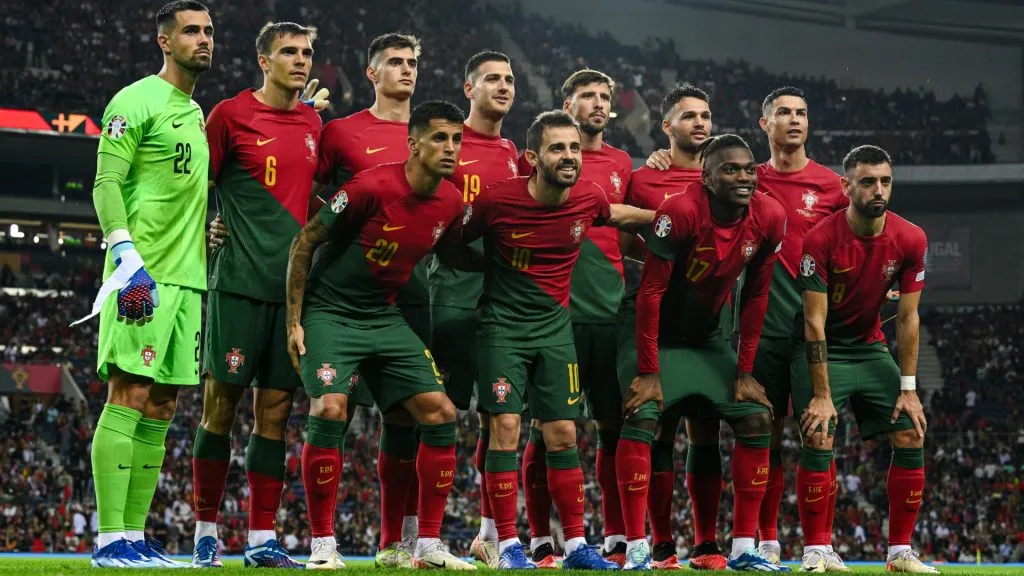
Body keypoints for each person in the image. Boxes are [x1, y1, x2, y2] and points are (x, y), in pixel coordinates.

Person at [285, 100, 477, 570]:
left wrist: (516, 262)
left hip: (385, 317)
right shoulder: (370, 185)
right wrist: (295, 319)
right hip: (330, 312)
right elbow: (305, 240)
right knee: (330, 408)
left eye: (456, 139)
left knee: (441, 414)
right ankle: (323, 547)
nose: (450, 147)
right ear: (413, 142)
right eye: (439, 138)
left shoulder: (452, 201)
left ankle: (428, 546)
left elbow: (453, 255)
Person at [465, 110, 653, 570]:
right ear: (532, 157)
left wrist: (673, 218)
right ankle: (509, 546)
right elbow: (455, 238)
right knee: (506, 430)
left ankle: (574, 546)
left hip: (554, 331)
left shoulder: (587, 196)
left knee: (564, 432)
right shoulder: (496, 201)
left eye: (573, 148)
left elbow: (617, 214)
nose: (570, 156)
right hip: (502, 331)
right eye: (558, 148)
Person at [616, 135, 789, 572]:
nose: (744, 177)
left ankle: (738, 547)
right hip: (656, 334)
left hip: (708, 338)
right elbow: (651, 293)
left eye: (749, 168)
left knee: (755, 417)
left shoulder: (769, 216)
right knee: (647, 415)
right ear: (706, 177)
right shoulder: (680, 210)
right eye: (731, 169)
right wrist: (650, 371)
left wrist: (745, 370)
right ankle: (647, 547)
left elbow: (756, 296)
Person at [83, 0, 213, 568]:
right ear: (165, 41)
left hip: (188, 281)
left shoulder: (196, 111)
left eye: (208, 31)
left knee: (161, 405)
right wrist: (126, 252)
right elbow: (106, 181)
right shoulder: (134, 100)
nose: (203, 39)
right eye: (190, 31)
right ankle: (110, 540)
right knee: (129, 393)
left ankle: (134, 537)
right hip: (143, 274)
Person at [190, 21, 323, 569]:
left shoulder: (316, 122)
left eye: (307, 52)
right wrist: (208, 228)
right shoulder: (229, 115)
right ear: (263, 60)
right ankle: (204, 533)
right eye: (288, 52)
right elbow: (196, 186)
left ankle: (262, 539)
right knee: (218, 411)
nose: (300, 59)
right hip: (237, 285)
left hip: (290, 295)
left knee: (275, 416)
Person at [794, 145, 936, 574]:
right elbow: (814, 324)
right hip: (825, 350)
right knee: (819, 432)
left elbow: (908, 318)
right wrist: (821, 395)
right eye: (868, 181)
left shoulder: (911, 238)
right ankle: (817, 549)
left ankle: (900, 553)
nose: (879, 190)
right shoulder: (819, 238)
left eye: (885, 181)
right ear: (846, 186)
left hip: (870, 348)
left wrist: (909, 390)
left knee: (912, 429)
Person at [516, 68, 635, 568]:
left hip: (608, 313)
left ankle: (613, 537)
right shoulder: (551, 155)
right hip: (555, 315)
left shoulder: (624, 163)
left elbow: (627, 234)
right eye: (587, 95)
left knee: (612, 428)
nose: (599, 103)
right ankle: (541, 539)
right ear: (567, 102)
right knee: (547, 429)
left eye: (605, 96)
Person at [629, 83, 730, 571]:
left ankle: (708, 542)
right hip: (659, 319)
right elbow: (622, 238)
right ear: (666, 126)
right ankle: (663, 542)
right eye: (688, 116)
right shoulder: (644, 178)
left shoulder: (727, 179)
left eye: (706, 115)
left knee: (706, 425)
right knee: (661, 428)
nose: (700, 123)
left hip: (709, 322)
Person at [425, 50, 519, 570]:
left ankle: (489, 536)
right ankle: (419, 537)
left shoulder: (513, 152)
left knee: (500, 417)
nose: (503, 87)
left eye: (509, 80)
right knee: (438, 414)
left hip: (502, 298)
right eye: (492, 79)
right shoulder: (448, 142)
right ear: (469, 88)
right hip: (451, 291)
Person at [751, 86, 849, 568]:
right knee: (763, 434)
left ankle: (820, 545)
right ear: (763, 123)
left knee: (818, 433)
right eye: (784, 113)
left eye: (802, 113)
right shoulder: (745, 179)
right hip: (760, 327)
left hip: (816, 332)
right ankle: (766, 540)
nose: (795, 120)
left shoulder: (833, 187)